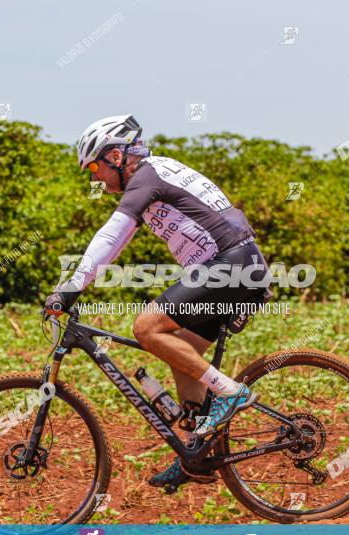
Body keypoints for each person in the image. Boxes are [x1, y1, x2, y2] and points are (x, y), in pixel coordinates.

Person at [44, 114, 269, 490]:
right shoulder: (155, 174)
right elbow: (121, 239)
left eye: (96, 166)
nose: (94, 177)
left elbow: (112, 233)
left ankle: (232, 394)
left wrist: (71, 287)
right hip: (238, 263)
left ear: (116, 156)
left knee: (146, 327)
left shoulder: (147, 176)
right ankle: (195, 456)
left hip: (230, 263)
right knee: (181, 349)